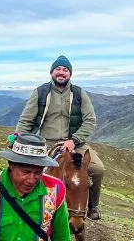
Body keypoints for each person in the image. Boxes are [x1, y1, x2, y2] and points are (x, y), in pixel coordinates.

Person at [15, 55, 105, 220]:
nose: (61, 73)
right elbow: (26, 120)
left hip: (75, 143)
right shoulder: (40, 92)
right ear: (52, 72)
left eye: (65, 70)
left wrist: (74, 140)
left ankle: (92, 206)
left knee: (98, 170)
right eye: (58, 69)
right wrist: (17, 138)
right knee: (31, 171)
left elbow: (90, 120)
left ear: (70, 74)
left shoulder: (79, 94)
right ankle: (27, 204)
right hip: (46, 143)